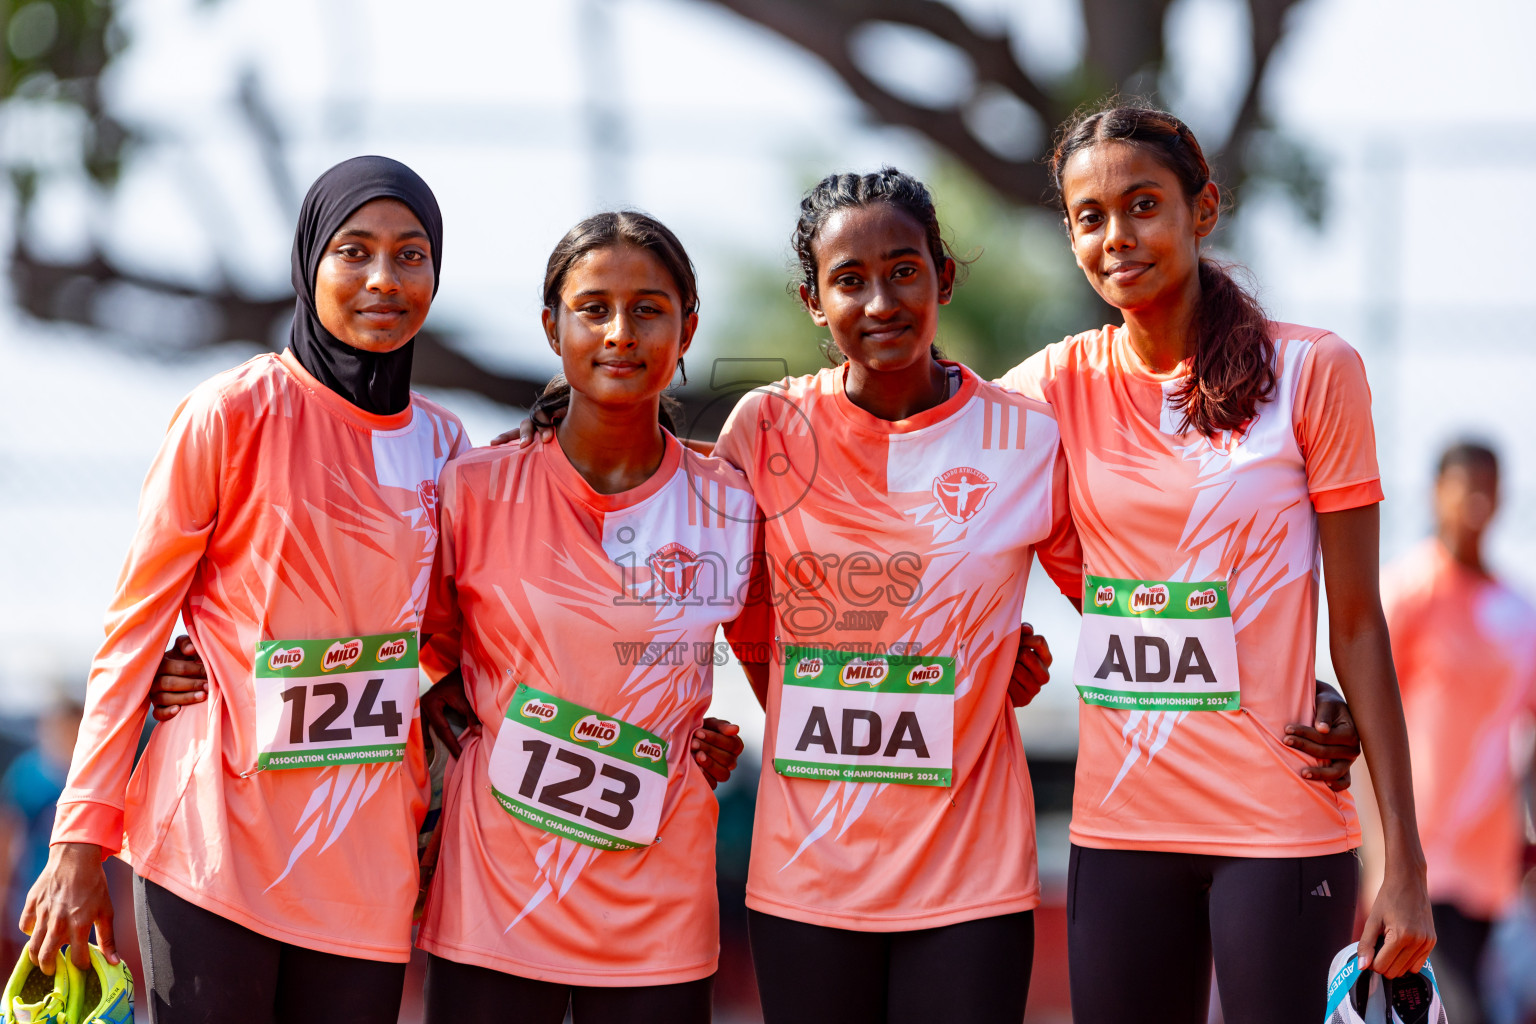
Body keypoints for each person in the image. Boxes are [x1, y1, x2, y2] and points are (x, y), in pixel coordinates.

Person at [509, 168, 1364, 1024]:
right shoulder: (765, 429)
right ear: (813, 300)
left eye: (903, 270)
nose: (880, 300)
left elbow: (1126, 598)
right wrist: (664, 719)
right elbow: (677, 580)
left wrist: (1289, 679)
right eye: (849, 280)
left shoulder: (1024, 436)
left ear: (943, 277)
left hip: (972, 886)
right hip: (805, 877)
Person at [996, 102, 1435, 1023]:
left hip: (1278, 822)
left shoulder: (1315, 373)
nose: (1117, 236)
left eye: (1144, 205)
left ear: (1204, 210)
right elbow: (912, 465)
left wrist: (1405, 864)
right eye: (1089, 216)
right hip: (1119, 827)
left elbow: (1356, 621)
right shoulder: (1048, 390)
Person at [22, 156, 468, 1024]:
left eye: (411, 256)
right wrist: (79, 838)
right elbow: (133, 630)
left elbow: (456, 633)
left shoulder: (450, 449)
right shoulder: (232, 412)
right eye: (356, 252)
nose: (385, 278)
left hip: (364, 857)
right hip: (212, 842)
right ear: (310, 264)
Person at [408, 211, 759, 1023]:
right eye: (593, 307)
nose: (620, 332)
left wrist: (990, 665)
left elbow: (787, 663)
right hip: (495, 897)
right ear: (551, 326)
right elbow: (412, 646)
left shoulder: (731, 504)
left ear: (688, 328)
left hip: (657, 908)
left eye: (649, 309)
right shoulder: (473, 489)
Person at [1379, 441, 1536, 1024]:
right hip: (1419, 858)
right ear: (1435, 492)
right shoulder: (1408, 592)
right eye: (1463, 486)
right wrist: (1380, 852)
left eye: (1487, 487)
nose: (1475, 502)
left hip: (1492, 866)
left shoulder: (1519, 613)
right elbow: (1368, 721)